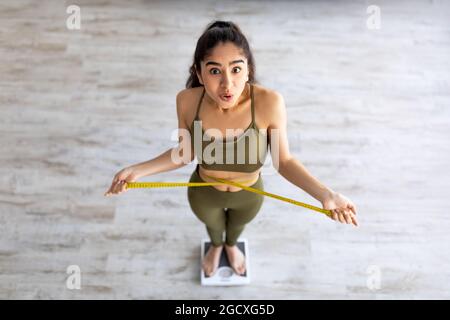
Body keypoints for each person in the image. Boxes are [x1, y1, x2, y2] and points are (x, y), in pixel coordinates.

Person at [104, 20, 358, 278]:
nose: (227, 84)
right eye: (215, 72)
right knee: (213, 227)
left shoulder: (269, 103)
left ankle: (230, 245)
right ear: (200, 73)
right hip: (204, 194)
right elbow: (184, 153)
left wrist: (326, 195)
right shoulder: (187, 101)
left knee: (237, 228)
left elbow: (284, 161)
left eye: (236, 69)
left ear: (248, 69)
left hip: (248, 196)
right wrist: (137, 170)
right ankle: (216, 246)